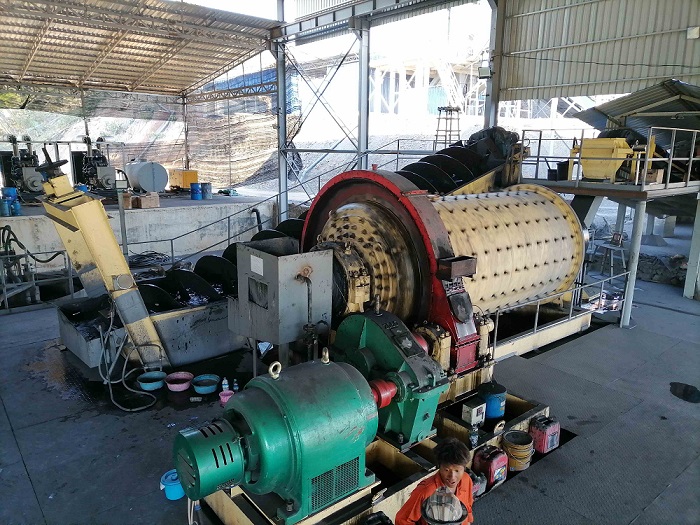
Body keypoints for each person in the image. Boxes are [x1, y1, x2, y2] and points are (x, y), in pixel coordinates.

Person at [395, 438, 474, 525]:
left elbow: (468, 506)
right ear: (439, 466)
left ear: (464, 468)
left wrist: (468, 522)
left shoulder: (466, 480)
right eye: (447, 470)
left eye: (457, 471)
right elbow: (402, 520)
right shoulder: (425, 491)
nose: (452, 477)